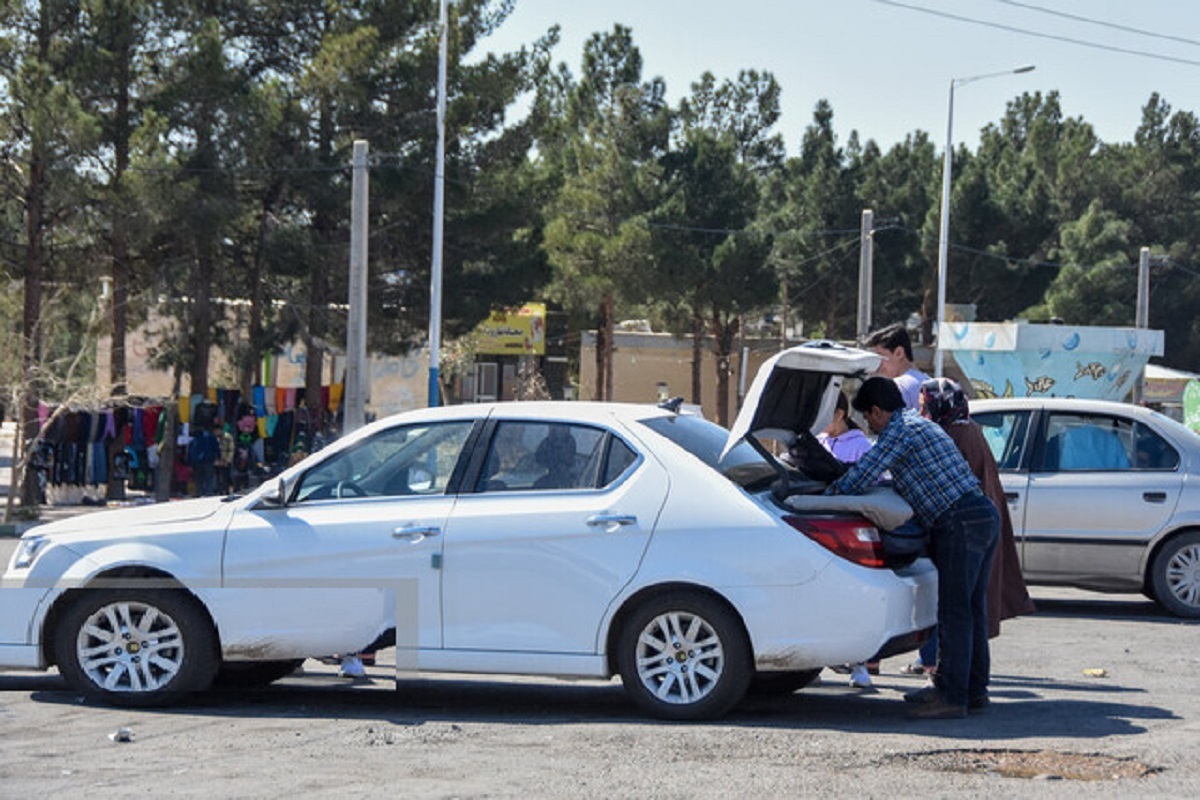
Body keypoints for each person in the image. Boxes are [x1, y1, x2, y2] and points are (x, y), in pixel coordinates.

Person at [827, 377, 999, 719]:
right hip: (980, 515)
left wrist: (827, 493)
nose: (870, 427)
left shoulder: (898, 431)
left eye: (869, 418)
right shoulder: (920, 424)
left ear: (877, 411)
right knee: (971, 610)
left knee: (954, 612)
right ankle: (973, 691)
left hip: (959, 522)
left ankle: (950, 696)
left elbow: (865, 475)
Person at [919, 378, 1035, 641]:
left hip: (965, 527)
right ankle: (970, 678)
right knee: (975, 608)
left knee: (959, 609)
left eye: (924, 405)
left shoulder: (952, 435)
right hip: (982, 524)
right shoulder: (969, 428)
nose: (921, 413)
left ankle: (951, 676)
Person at [815, 392, 877, 690]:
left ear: (840, 413)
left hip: (848, 538)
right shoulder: (819, 442)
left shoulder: (860, 446)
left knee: (852, 602)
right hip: (819, 535)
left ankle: (860, 665)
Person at [864, 322, 930, 410]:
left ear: (899, 353)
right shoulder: (927, 382)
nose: (878, 364)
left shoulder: (896, 388)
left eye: (881, 356)